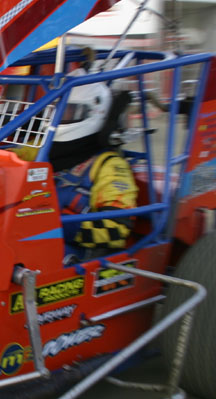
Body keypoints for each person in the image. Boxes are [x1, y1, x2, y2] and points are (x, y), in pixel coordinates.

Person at [14, 66, 138, 259]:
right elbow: (8, 157)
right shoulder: (41, 148)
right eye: (57, 111)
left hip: (68, 252)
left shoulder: (109, 166)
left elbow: (117, 228)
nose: (59, 118)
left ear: (94, 113)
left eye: (68, 111)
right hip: (19, 235)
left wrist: (54, 224)